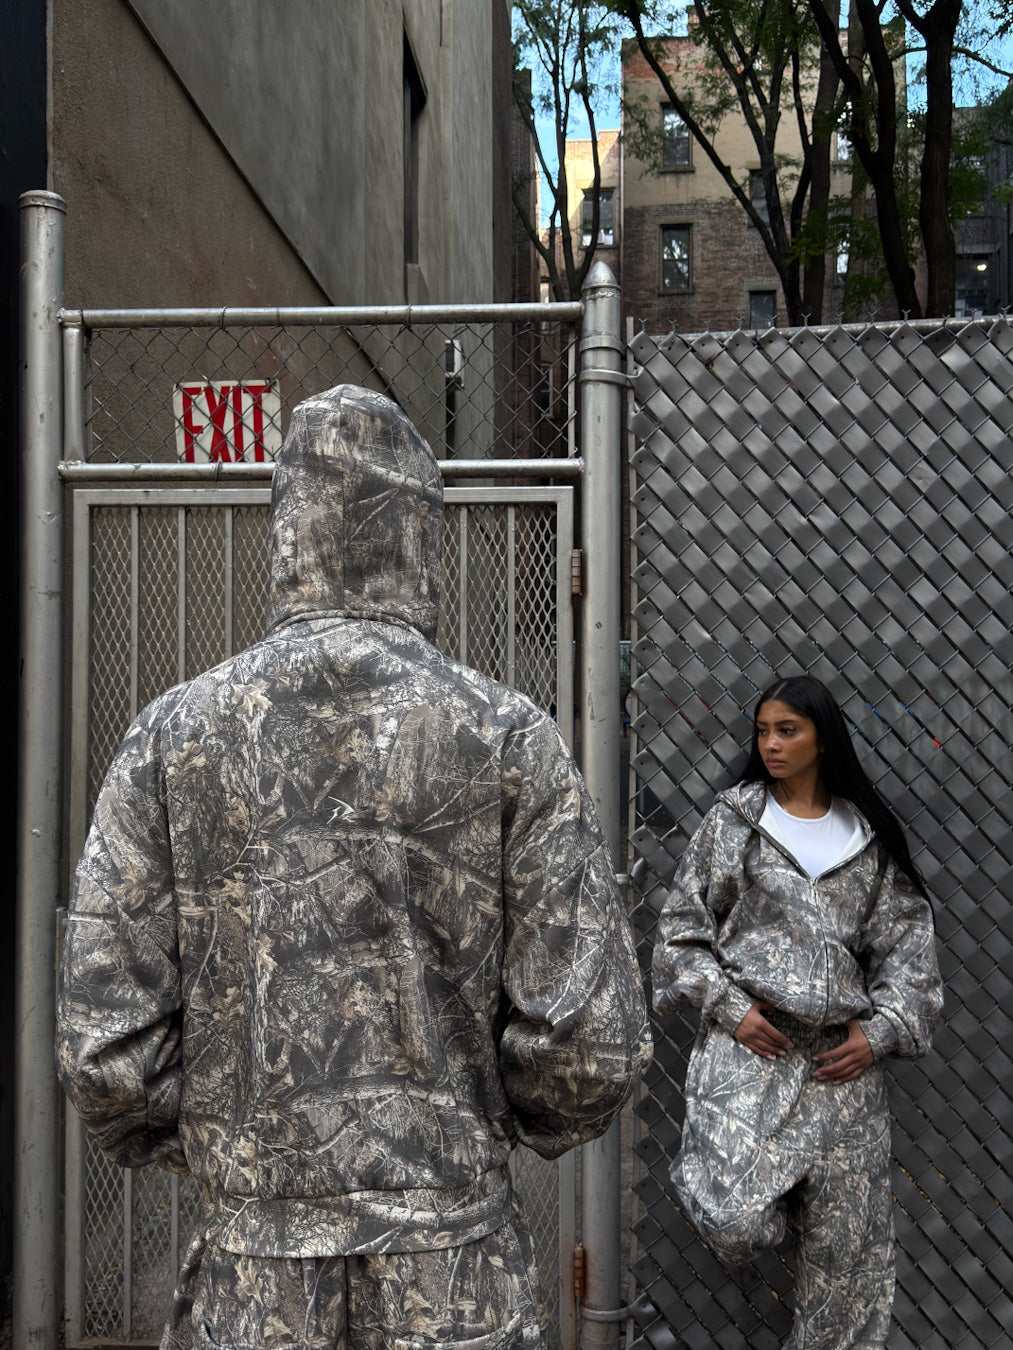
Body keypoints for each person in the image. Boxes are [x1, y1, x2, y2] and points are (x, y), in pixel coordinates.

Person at [57, 385, 652, 1350]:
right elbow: (589, 1051)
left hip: (249, 1285)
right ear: (420, 531)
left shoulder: (173, 738)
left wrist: (231, 1150)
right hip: (454, 1280)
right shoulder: (507, 736)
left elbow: (105, 1055)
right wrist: (468, 1137)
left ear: (287, 529)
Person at [652, 674, 942, 1350]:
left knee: (847, 1262)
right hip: (751, 1053)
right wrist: (727, 1007)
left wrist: (880, 1034)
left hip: (841, 1069)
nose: (771, 743)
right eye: (763, 731)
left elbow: (908, 950)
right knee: (731, 1217)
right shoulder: (736, 821)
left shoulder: (865, 835)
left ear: (821, 738)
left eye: (787, 730)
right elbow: (678, 934)